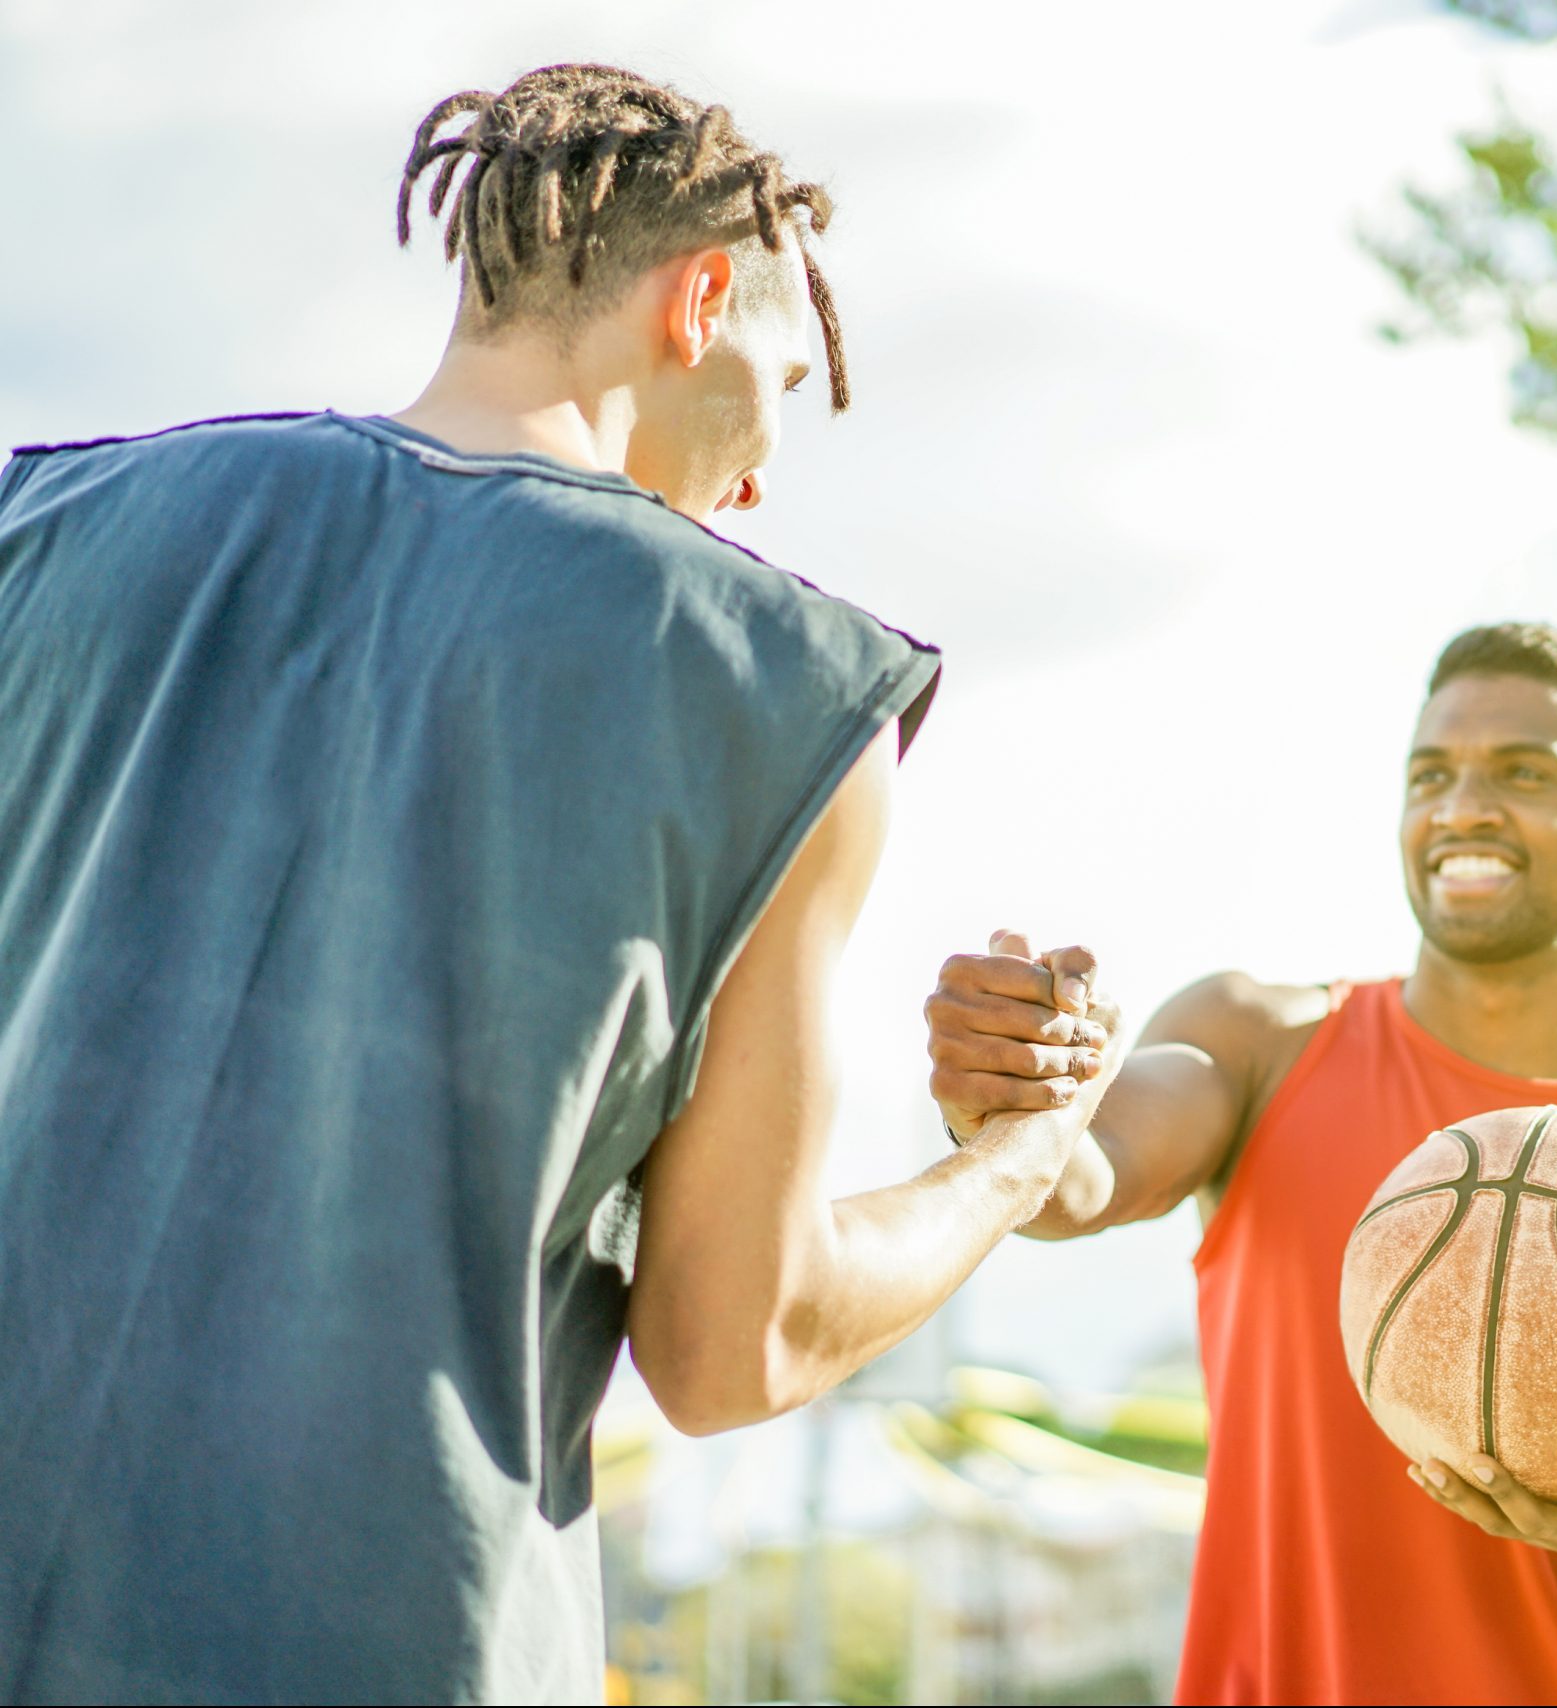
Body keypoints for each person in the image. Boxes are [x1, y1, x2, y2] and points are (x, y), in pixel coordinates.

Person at [0, 64, 1112, 1703]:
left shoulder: (40, 524)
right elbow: (740, 1338)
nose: (765, 461)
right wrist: (1020, 1156)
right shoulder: (777, 683)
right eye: (786, 379)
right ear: (703, 299)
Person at [925, 622, 1557, 1705]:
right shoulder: (1257, 1041)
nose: (1462, 806)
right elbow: (1078, 1178)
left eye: (1523, 772)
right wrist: (1012, 1096)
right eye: (1431, 774)